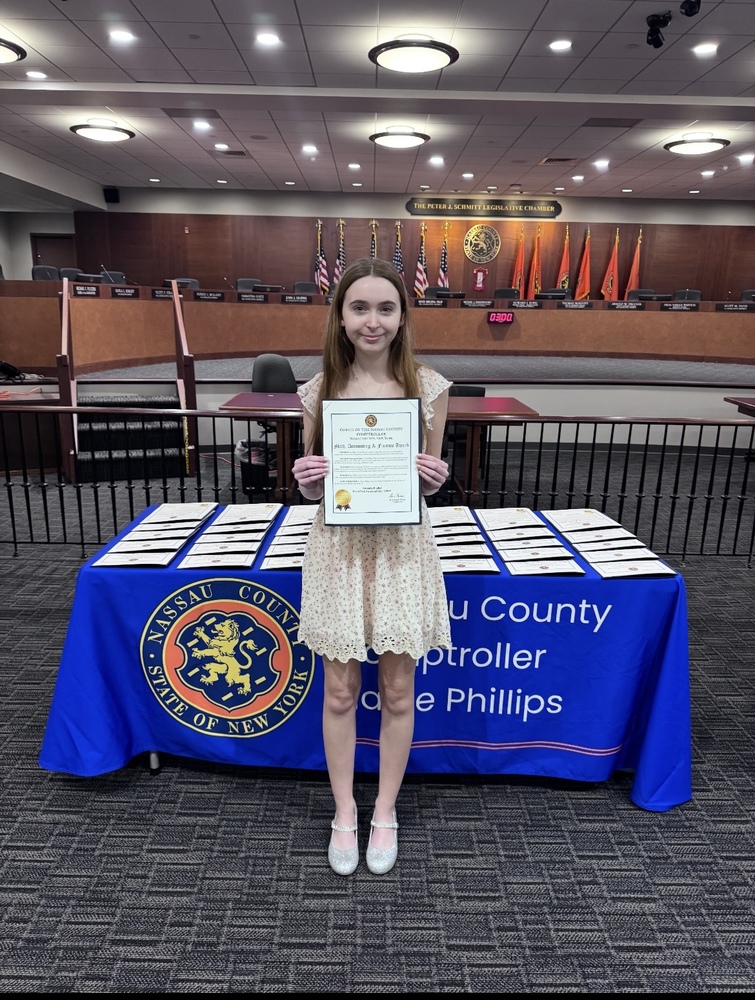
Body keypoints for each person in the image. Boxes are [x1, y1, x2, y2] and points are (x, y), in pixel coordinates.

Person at [292, 257, 452, 876]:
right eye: (359, 307)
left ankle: (384, 809)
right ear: (340, 316)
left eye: (386, 308)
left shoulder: (430, 388)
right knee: (338, 689)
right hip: (339, 549)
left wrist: (435, 478)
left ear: (403, 317)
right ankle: (343, 811)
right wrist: (306, 481)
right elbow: (314, 486)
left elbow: (429, 482)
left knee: (396, 688)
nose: (372, 320)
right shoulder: (319, 390)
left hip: (401, 551)